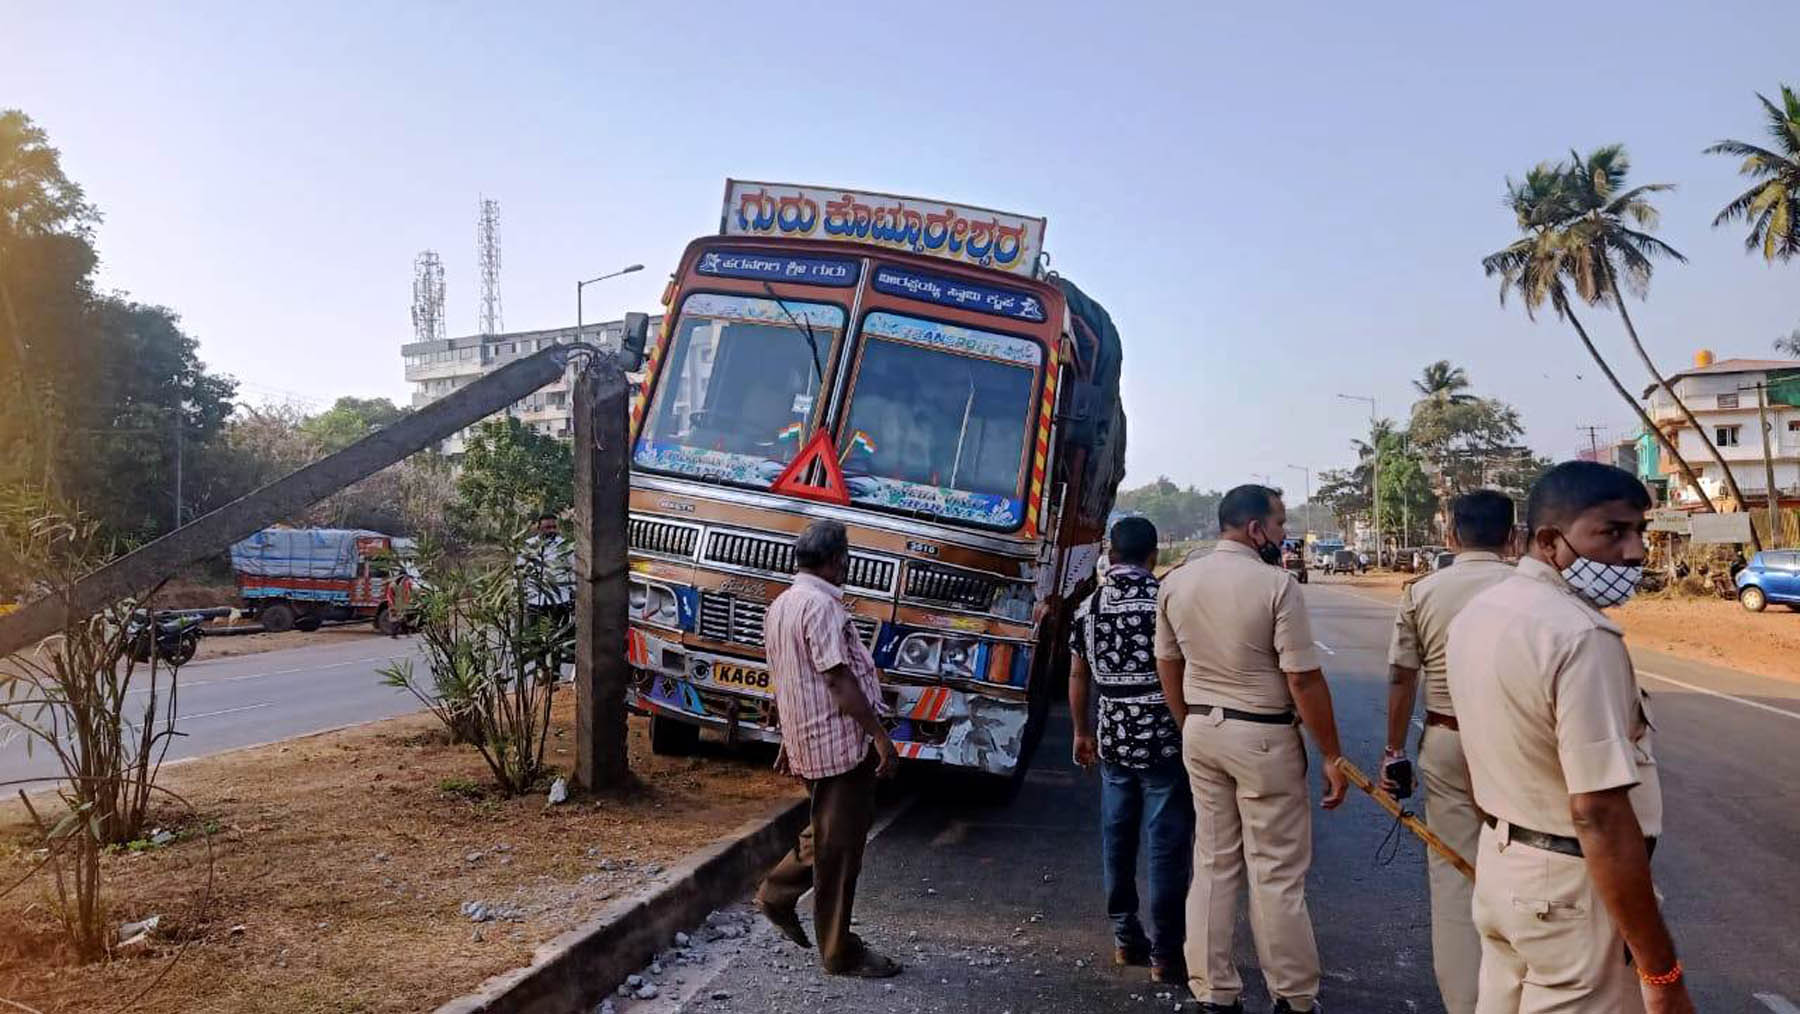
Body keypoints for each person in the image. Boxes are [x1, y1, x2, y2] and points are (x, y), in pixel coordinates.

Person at [1447, 462, 1691, 1014]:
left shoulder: (1483, 612)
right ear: (1550, 541)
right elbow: (1599, 813)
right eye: (1611, 532)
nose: (1633, 553)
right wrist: (1663, 972)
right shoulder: (1581, 635)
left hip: (1504, 867)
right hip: (1570, 893)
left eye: (1639, 533)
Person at [1155, 485, 1348, 1014]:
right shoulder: (1276, 585)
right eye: (1281, 524)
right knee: (1276, 871)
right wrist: (1332, 754)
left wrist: (1187, 720)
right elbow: (1303, 680)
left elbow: (1168, 664)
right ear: (1255, 529)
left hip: (1202, 730)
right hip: (1264, 735)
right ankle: (1293, 995)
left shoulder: (1177, 582)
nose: (1285, 533)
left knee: (1214, 862)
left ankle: (1214, 992)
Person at [1381, 490, 1518, 1014]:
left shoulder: (1423, 592)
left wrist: (1394, 749)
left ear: (1451, 535)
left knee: (1454, 876)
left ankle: (1465, 1003)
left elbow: (1400, 677)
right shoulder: (1536, 589)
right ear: (1513, 535)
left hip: (1447, 737)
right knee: (1530, 870)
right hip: (1522, 746)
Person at [753, 520, 903, 979]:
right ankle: (840, 952)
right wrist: (878, 735)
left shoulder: (781, 604)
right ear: (837, 560)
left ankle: (777, 895)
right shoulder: (821, 608)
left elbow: (787, 678)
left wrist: (785, 735)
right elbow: (836, 679)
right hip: (838, 741)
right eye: (847, 557)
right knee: (841, 852)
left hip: (808, 736)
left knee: (828, 834)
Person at [1069, 516, 1193, 984]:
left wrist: (1082, 732)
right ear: (1153, 557)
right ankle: (1166, 954)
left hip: (1113, 741)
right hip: (1166, 741)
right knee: (1166, 847)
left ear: (1111, 555)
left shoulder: (1088, 607)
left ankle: (1125, 938)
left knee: (1117, 840)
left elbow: (1078, 676)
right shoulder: (1167, 602)